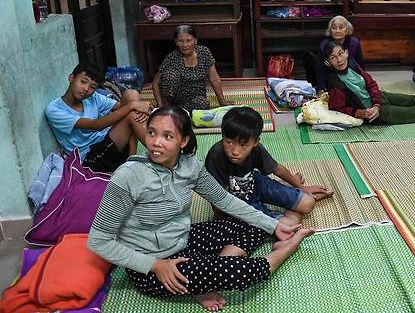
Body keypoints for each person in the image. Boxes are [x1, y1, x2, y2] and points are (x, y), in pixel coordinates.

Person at [88, 106, 313, 312]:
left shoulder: (189, 166)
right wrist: (154, 265)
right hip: (151, 265)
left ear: (184, 141)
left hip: (183, 240)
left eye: (167, 136)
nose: (156, 143)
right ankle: (285, 249)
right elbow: (98, 241)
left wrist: (274, 224)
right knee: (243, 272)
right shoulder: (128, 176)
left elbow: (225, 200)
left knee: (252, 222)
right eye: (151, 133)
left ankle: (205, 275)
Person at [205, 107, 334, 227]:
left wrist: (301, 188)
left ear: (255, 142)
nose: (235, 151)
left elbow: (277, 169)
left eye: (243, 145)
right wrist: (218, 222)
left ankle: (288, 190)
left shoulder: (257, 150)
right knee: (288, 225)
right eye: (229, 142)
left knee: (308, 203)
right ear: (222, 136)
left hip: (255, 183)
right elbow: (220, 198)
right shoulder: (216, 155)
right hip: (239, 203)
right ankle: (287, 203)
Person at [45, 62, 151, 172]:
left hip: (107, 143)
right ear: (71, 78)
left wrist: (134, 104)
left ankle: (131, 160)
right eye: (83, 81)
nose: (86, 89)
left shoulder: (93, 97)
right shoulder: (55, 110)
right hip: (91, 158)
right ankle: (156, 152)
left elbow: (122, 106)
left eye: (92, 87)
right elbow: (96, 125)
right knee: (132, 113)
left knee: (131, 94)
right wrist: (132, 106)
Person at [153, 25, 232, 112]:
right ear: (176, 42)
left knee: (203, 104)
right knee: (170, 75)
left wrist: (222, 102)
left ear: (195, 40)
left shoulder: (204, 53)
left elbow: (214, 79)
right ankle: (167, 108)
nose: (185, 45)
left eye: (188, 40)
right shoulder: (171, 57)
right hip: (175, 97)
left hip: (195, 97)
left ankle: (177, 111)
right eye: (180, 41)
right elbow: (156, 83)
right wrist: (160, 106)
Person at [312, 16, 365, 92]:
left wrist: (365, 81)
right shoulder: (324, 45)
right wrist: (321, 88)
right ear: (330, 31)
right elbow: (320, 68)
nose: (337, 31)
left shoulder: (354, 43)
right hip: (333, 79)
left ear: (347, 30)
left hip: (352, 78)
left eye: (341, 28)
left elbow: (360, 65)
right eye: (334, 28)